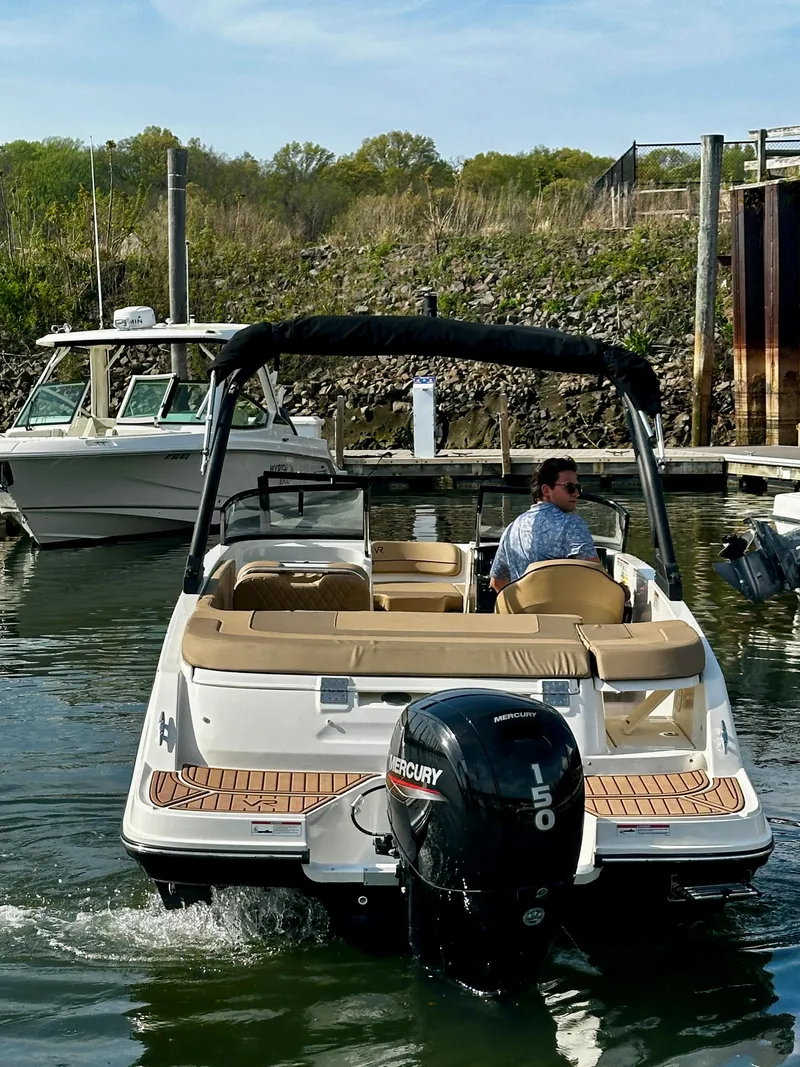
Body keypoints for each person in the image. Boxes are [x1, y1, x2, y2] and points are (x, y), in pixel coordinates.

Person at [489, 457, 599, 594]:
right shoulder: (571, 524)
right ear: (546, 490)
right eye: (570, 487)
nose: (577, 493)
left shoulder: (512, 529)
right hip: (566, 613)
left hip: (525, 613)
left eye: (578, 487)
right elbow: (597, 578)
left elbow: (497, 582)